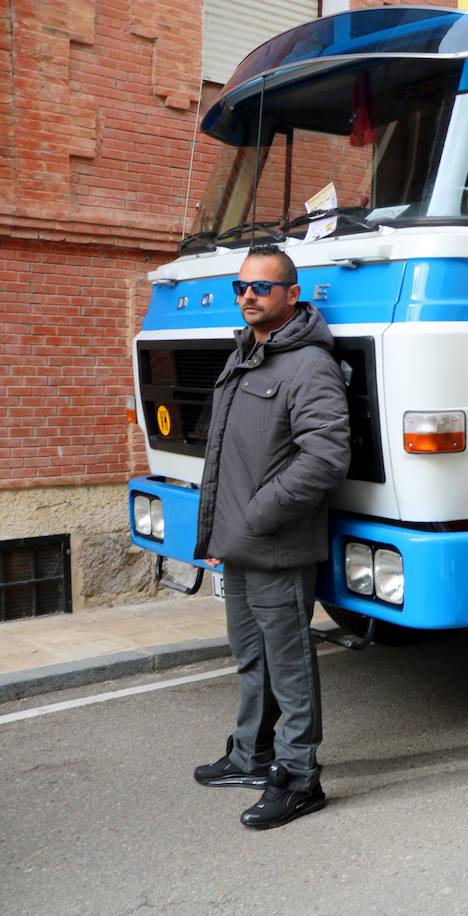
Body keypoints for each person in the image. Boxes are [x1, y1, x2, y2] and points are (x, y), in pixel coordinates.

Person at [192, 245, 351, 830]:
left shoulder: (308, 364)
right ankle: (250, 755)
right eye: (241, 287)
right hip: (238, 543)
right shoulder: (247, 356)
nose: (248, 296)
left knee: (288, 663)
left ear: (291, 295)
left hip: (276, 542)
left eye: (261, 286)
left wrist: (257, 514)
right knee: (250, 656)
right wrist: (219, 529)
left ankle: (299, 777)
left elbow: (326, 457)